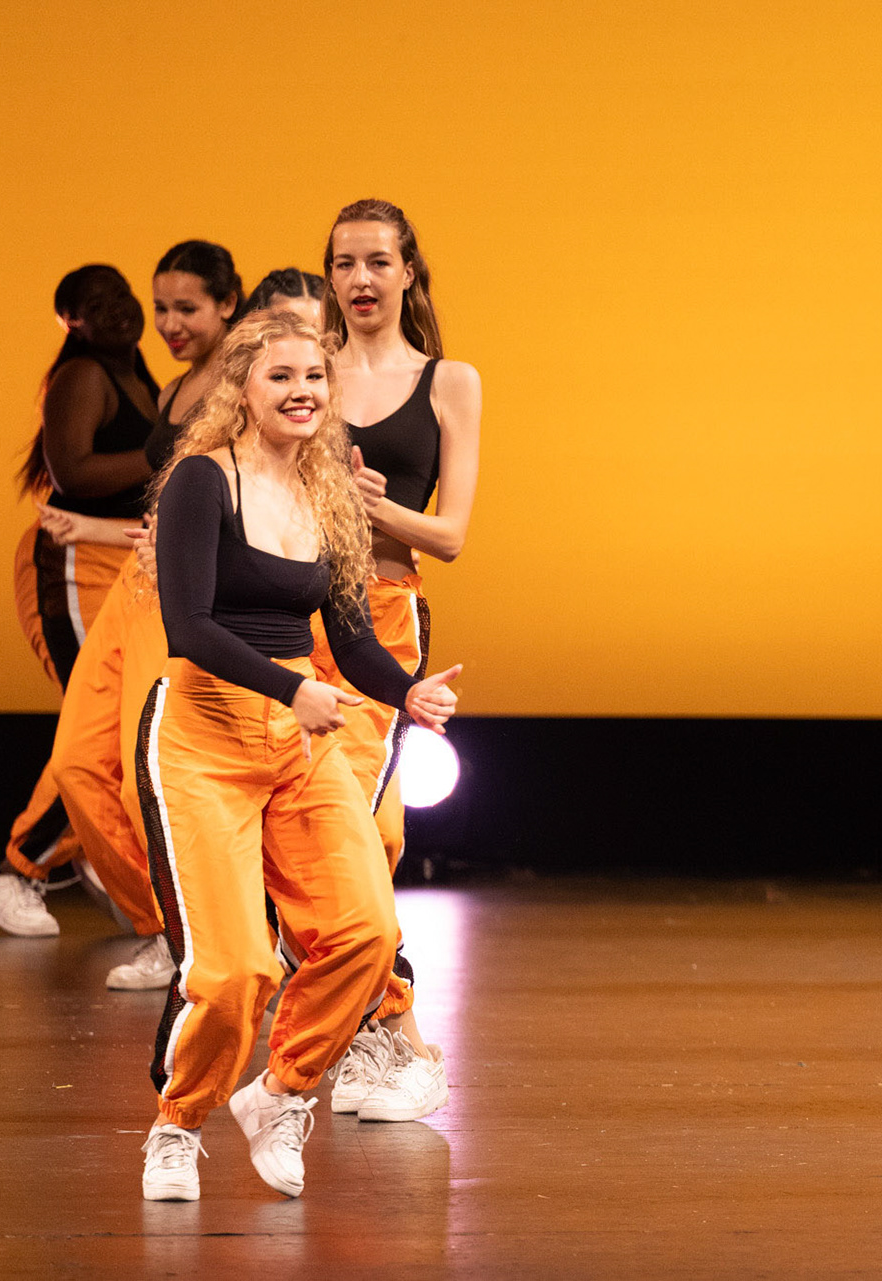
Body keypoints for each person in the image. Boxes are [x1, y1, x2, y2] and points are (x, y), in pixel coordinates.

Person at [135, 309, 461, 1201]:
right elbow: (189, 626)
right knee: (235, 970)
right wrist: (290, 689)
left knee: (366, 932)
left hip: (298, 737)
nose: (301, 392)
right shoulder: (204, 480)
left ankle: (279, 1093)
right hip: (203, 731)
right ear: (242, 387)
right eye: (280, 376)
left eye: (314, 377)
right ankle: (176, 1125)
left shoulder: (329, 492)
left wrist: (408, 692)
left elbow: (350, 640)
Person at [36, 244, 246, 981]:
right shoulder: (174, 389)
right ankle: (168, 924)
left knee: (144, 776)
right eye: (162, 308)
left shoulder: (246, 380)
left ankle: (190, 937)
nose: (169, 323)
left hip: (186, 595)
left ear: (228, 303)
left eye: (187, 308)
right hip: (135, 583)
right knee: (77, 766)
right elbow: (164, 513)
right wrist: (95, 531)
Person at [314, 200, 481, 1123]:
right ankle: (377, 1034)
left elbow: (449, 535)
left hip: (382, 616)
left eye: (378, 261)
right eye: (345, 264)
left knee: (359, 830)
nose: (361, 280)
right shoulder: (308, 371)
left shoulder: (449, 381)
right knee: (332, 833)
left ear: (408, 271)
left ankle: (399, 1040)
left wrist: (371, 507)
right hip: (295, 615)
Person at [0, 266, 159, 938]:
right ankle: (16, 870)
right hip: (73, 561)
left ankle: (89, 852)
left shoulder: (141, 377)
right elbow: (73, 471)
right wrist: (167, 451)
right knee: (102, 727)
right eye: (93, 304)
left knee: (127, 724)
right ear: (71, 323)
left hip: (124, 559)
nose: (115, 309)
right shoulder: (83, 375)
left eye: (121, 294)